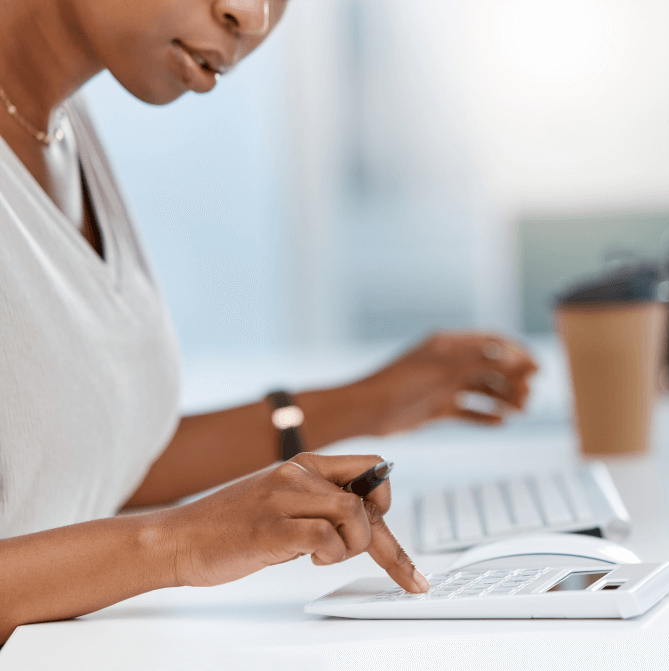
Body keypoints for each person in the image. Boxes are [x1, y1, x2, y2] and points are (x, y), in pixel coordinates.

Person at [0, 0, 538, 644]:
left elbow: (73, 463)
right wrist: (179, 544)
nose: (252, 17)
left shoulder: (55, 123)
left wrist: (377, 399)